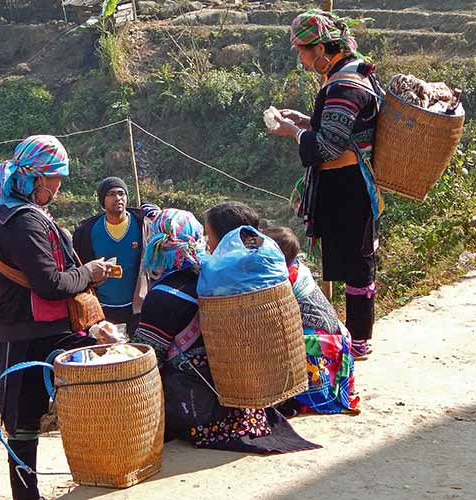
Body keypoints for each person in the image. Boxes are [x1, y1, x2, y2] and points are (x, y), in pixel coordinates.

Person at [0, 135, 114, 500]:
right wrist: (89, 273)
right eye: (54, 178)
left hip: (48, 327)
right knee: (23, 425)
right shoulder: (23, 222)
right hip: (25, 333)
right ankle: (27, 496)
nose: (58, 187)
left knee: (100, 370)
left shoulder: (23, 214)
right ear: (36, 178)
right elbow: (50, 284)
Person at [134, 209, 319, 454]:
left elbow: (146, 360)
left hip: (200, 411)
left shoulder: (165, 295)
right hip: (246, 403)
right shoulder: (218, 278)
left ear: (156, 245)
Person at [268, 9, 383, 358]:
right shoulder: (346, 76)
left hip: (347, 184)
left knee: (356, 263)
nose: (300, 59)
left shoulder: (343, 85)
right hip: (343, 184)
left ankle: (359, 340)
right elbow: (339, 130)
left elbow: (327, 146)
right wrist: (303, 120)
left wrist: (293, 131)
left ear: (320, 48)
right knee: (353, 260)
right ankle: (356, 336)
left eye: (302, 51)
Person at [262, 226, 359, 416]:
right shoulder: (295, 267)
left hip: (319, 338)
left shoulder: (284, 279)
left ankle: (293, 395)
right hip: (330, 330)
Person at [73, 177, 157, 334]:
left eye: (121, 193)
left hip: (136, 307)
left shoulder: (142, 225)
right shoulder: (87, 231)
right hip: (102, 309)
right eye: (111, 194)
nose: (118, 198)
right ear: (102, 200)